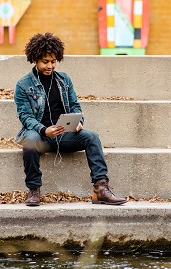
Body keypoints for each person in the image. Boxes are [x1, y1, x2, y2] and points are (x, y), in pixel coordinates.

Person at [14, 32, 127, 207]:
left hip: (63, 134)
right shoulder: (23, 85)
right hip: (39, 135)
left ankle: (101, 189)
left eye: (53, 61)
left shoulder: (64, 80)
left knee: (91, 136)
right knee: (29, 140)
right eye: (45, 61)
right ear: (35, 59)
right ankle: (34, 190)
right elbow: (25, 116)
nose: (50, 66)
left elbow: (75, 106)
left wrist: (78, 122)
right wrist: (44, 130)